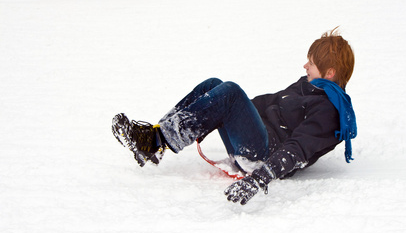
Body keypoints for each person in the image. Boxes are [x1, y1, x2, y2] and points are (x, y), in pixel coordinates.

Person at [112, 27, 357, 205]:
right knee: (215, 85)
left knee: (229, 91)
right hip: (258, 136)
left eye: (311, 64)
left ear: (330, 73)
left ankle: (154, 142)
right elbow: (268, 105)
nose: (305, 66)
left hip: (264, 154)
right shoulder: (309, 86)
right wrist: (215, 112)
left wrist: (261, 178)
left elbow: (297, 150)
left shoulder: (330, 110)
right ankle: (157, 138)